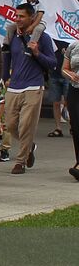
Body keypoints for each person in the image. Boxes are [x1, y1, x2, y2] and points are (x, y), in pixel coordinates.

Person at [1, 2, 58, 175]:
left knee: (26, 125)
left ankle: (20, 161)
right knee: (11, 125)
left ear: (31, 18)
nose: (17, 19)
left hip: (34, 85)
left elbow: (53, 63)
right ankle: (30, 146)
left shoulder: (43, 38)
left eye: (21, 16)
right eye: (16, 16)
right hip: (14, 86)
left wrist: (37, 53)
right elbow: (6, 58)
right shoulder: (12, 35)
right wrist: (6, 78)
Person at [61, 37, 79, 182]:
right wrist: (70, 74)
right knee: (76, 126)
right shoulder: (73, 46)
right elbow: (64, 69)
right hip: (75, 91)